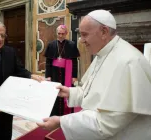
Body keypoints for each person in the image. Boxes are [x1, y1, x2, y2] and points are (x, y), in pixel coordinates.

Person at [37, 9, 151, 140]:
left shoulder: (129, 62)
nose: (81, 40)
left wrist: (61, 121)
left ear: (104, 32)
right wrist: (69, 92)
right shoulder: (102, 54)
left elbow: (106, 123)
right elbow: (93, 93)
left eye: (85, 35)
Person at [0, 21, 45, 140]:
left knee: (6, 134)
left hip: (8, 103)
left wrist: (31, 75)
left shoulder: (10, 52)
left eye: (3, 35)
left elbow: (19, 69)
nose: (0, 39)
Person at [44, 25, 80, 116]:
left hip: (67, 73)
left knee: (67, 92)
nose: (60, 36)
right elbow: (48, 62)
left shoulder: (71, 45)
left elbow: (74, 62)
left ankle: (67, 114)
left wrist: (74, 76)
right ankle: (54, 114)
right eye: (59, 33)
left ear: (66, 34)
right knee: (54, 93)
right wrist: (48, 75)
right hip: (54, 73)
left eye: (62, 34)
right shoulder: (51, 45)